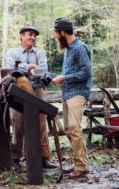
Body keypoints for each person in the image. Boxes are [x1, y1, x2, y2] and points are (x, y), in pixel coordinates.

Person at [6, 25, 56, 169]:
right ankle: (15, 159)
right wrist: (29, 67)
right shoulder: (12, 52)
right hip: (17, 90)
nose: (33, 37)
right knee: (18, 122)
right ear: (21, 35)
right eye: (30, 34)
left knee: (41, 122)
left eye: (34, 35)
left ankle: (43, 158)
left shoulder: (39, 53)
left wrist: (24, 68)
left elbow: (43, 69)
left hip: (37, 89)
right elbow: (11, 68)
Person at [52, 17, 91, 179]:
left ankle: (82, 167)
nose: (55, 35)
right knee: (69, 129)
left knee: (74, 128)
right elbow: (70, 73)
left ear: (62, 32)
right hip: (68, 94)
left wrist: (66, 78)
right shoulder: (68, 49)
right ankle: (78, 163)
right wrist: (60, 77)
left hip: (78, 93)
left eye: (56, 32)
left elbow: (85, 72)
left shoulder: (80, 48)